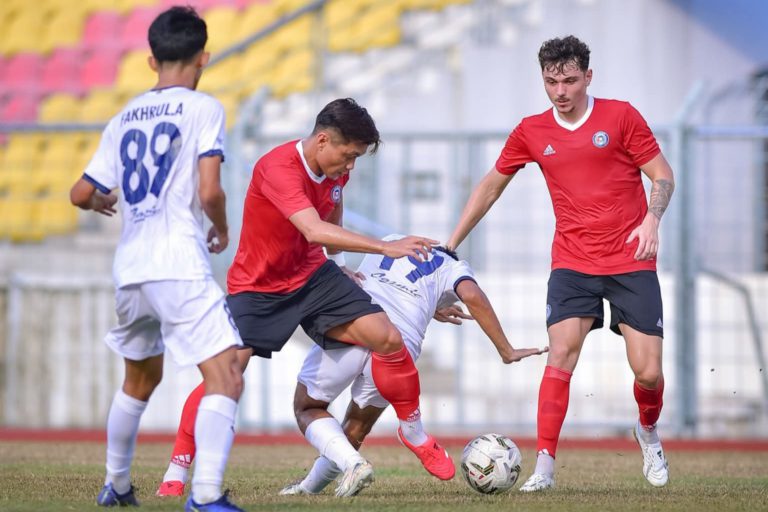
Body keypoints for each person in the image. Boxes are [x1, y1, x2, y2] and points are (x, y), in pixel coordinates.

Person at [156, 99, 451, 499]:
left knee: (387, 337)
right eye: (348, 156)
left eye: (357, 159)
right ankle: (177, 471)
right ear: (323, 140)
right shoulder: (278, 167)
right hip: (259, 287)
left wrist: (340, 263)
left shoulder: (335, 170)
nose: (350, 167)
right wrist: (386, 247)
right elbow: (312, 228)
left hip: (314, 277)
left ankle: (413, 431)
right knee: (225, 374)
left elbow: (333, 207)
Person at [445, 35, 675, 492]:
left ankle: (647, 430)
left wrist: (652, 218)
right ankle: (544, 468)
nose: (560, 91)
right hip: (572, 260)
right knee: (561, 356)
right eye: (551, 81)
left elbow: (662, 174)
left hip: (631, 258)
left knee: (647, 372)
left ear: (588, 77)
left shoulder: (621, 116)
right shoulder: (531, 130)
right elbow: (492, 185)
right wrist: (451, 243)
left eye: (569, 80)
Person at [70, 6, 246, 511]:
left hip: (131, 267)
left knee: (139, 379)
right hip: (176, 260)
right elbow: (209, 189)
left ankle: (117, 485)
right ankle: (207, 495)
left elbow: (80, 192)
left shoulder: (122, 116)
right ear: (203, 57)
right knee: (226, 373)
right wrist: (221, 225)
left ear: (151, 61)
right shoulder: (203, 108)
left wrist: (103, 201)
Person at [277, 239, 547, 496]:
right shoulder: (454, 267)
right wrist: (505, 349)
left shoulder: (392, 241)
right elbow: (471, 294)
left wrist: (433, 305)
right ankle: (407, 433)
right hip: (398, 346)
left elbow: (391, 283)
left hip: (356, 321)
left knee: (307, 407)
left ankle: (313, 485)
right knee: (357, 426)